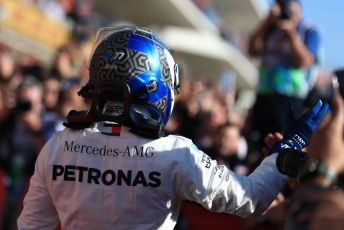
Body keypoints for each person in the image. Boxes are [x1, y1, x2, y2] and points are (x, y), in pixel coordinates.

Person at [17, 26, 328, 229]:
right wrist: (285, 150)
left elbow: (31, 226)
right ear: (154, 86)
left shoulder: (58, 145)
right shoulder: (174, 154)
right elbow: (250, 199)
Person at [248, 0, 322, 153]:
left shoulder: (308, 30)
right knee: (257, 144)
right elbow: (252, 50)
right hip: (264, 94)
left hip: (290, 98)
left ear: (299, 11)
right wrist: (267, 22)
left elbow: (304, 62)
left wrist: (290, 32)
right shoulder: (271, 28)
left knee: (281, 143)